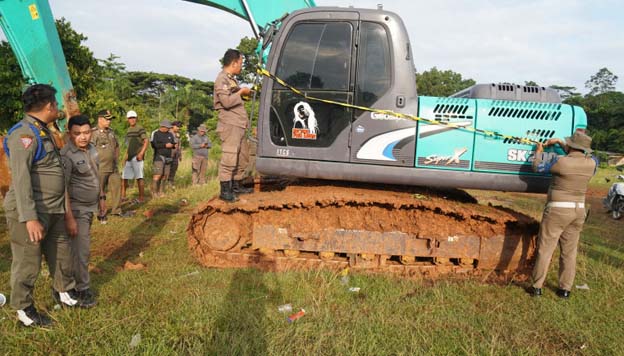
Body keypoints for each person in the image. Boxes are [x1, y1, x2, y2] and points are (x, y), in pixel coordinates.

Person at [3, 84, 85, 327]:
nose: (58, 108)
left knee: (61, 254)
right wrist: (29, 218)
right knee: (28, 261)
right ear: (49, 105)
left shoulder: (43, 131)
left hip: (53, 208)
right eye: (56, 104)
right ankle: (24, 310)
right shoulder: (24, 134)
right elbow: (20, 178)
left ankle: (65, 293)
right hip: (31, 211)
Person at [528, 131, 598, 299]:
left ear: (571, 146)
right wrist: (560, 142)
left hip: (558, 210)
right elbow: (581, 154)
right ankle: (565, 289)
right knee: (569, 252)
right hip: (579, 211)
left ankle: (537, 287)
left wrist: (538, 151)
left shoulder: (560, 162)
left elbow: (537, 167)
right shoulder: (593, 163)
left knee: (545, 249)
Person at [61, 115, 100, 308]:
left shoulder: (92, 149)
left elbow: (95, 176)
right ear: (70, 134)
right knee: (81, 250)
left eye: (86, 132)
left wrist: (101, 199)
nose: (83, 137)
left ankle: (73, 284)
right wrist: (69, 218)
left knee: (80, 249)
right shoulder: (66, 155)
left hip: (91, 207)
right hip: (76, 209)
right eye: (77, 133)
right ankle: (81, 289)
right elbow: (63, 188)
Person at [214, 48, 253, 202]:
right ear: (234, 62)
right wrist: (241, 92)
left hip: (239, 125)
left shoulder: (231, 79)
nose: (241, 66)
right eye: (241, 63)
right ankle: (225, 191)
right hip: (230, 125)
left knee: (242, 156)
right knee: (229, 157)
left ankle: (236, 186)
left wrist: (245, 93)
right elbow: (226, 102)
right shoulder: (222, 79)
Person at [91, 109, 122, 222]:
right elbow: (89, 149)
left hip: (113, 166)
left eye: (110, 119)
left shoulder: (111, 132)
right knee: (99, 190)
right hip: (100, 167)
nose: (109, 121)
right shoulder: (93, 133)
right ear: (100, 119)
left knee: (117, 187)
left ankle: (116, 210)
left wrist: (116, 158)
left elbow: (117, 146)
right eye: (107, 119)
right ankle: (99, 212)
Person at [121, 110, 148, 203]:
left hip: (137, 156)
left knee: (139, 177)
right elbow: (129, 145)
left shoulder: (140, 128)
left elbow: (146, 141)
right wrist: (125, 156)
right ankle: (123, 196)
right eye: (130, 118)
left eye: (133, 118)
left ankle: (141, 198)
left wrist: (141, 153)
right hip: (129, 156)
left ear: (136, 118)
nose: (132, 120)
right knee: (124, 177)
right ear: (127, 119)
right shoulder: (128, 130)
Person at [150, 119, 176, 197]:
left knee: (165, 175)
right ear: (163, 127)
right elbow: (154, 145)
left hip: (168, 157)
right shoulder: (156, 134)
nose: (168, 129)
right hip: (159, 157)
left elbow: (173, 144)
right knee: (158, 175)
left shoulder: (170, 134)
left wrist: (173, 145)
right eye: (167, 127)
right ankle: (154, 192)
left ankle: (161, 192)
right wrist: (165, 145)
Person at [168, 120, 183, 189]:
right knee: (166, 170)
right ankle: (164, 184)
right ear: (172, 126)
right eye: (177, 126)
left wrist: (180, 155)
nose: (178, 128)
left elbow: (179, 146)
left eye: (179, 127)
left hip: (175, 155)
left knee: (173, 169)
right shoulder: (168, 133)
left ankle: (171, 183)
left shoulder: (177, 135)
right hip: (168, 154)